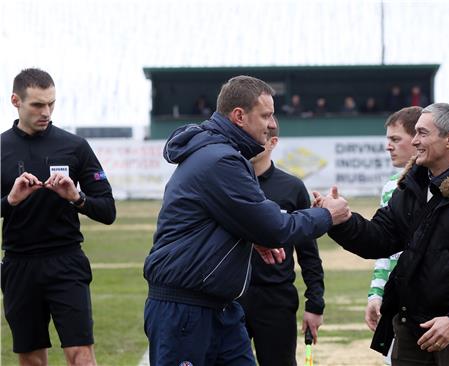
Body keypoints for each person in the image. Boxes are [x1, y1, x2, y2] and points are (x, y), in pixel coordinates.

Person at [142, 75, 349, 366]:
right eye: (266, 115)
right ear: (239, 116)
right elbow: (274, 227)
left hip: (220, 307)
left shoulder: (220, 154)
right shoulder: (220, 160)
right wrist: (328, 214)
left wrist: (248, 239)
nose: (272, 124)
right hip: (187, 309)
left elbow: (221, 220)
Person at [315, 103, 449, 366]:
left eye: (422, 133)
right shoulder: (412, 189)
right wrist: (341, 221)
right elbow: (378, 238)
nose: (416, 141)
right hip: (410, 327)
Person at [1, 68, 116, 366]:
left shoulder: (75, 147)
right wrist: (10, 200)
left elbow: (108, 210)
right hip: (19, 266)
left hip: (66, 262)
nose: (46, 112)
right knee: (31, 359)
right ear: (16, 100)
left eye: (51, 103)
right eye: (37, 105)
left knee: (81, 357)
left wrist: (77, 198)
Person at [238, 117, 325, 366]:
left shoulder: (292, 187)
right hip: (231, 297)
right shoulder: (229, 183)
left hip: (276, 301)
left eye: (259, 140)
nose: (250, 146)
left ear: (273, 142)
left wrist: (315, 303)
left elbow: (308, 253)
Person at [365, 106, 422, 365]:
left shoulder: (441, 185)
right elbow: (386, 249)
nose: (388, 146)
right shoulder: (391, 187)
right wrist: (376, 294)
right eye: (387, 140)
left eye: (395, 139)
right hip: (396, 303)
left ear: (419, 138)